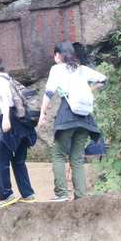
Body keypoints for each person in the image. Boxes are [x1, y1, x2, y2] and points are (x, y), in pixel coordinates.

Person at [39, 41, 106, 202]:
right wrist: (90, 90)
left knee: (58, 155)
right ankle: (81, 196)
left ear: (58, 55)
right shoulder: (81, 69)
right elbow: (103, 80)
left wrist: (42, 114)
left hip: (67, 115)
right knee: (76, 157)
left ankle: (61, 194)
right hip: (85, 118)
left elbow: (48, 93)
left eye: (54, 55)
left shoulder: (57, 69)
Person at [0, 57, 37, 207]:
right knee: (18, 161)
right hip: (23, 123)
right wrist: (1, 118)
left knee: (2, 160)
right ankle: (28, 194)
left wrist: (5, 119)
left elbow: (6, 101)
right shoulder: (9, 78)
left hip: (13, 123)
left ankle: (6, 195)